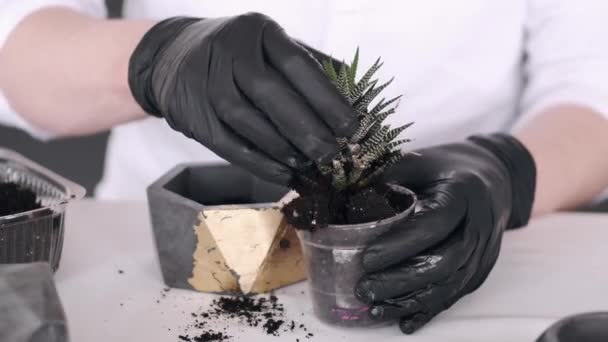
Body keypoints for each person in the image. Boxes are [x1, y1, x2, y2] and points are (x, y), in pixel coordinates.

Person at [1, 0, 608, 334]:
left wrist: (509, 169)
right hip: (151, 267)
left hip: (454, 250)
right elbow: (18, 37)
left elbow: (592, 81)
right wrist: (158, 58)